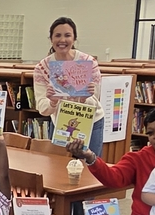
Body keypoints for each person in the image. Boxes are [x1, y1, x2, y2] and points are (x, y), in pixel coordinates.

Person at [33, 17, 104, 156]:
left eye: (67, 35)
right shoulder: (42, 68)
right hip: (61, 123)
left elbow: (95, 100)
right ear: (51, 39)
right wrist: (53, 101)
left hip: (90, 122)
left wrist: (84, 98)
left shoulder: (88, 62)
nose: (62, 40)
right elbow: (42, 108)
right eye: (57, 35)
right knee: (57, 165)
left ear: (74, 38)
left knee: (90, 166)